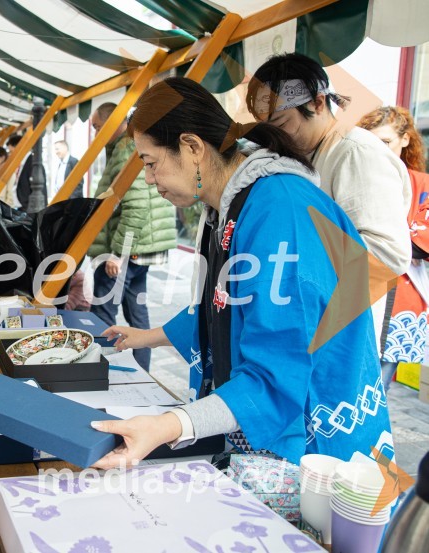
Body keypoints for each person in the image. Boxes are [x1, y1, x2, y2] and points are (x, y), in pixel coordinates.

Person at [92, 77, 392, 468]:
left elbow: (276, 371)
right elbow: (225, 306)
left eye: (151, 163)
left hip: (315, 444)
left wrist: (167, 426)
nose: (149, 178)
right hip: (275, 424)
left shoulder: (280, 210)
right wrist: (146, 337)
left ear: (192, 147)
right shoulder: (229, 205)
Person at [246, 53, 411, 355]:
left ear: (317, 103)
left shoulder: (356, 152)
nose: (276, 136)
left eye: (282, 123)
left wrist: (295, 247)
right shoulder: (307, 153)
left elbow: (388, 254)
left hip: (341, 333)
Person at [87, 102, 176, 371]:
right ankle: (141, 377)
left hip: (127, 249)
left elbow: (136, 207)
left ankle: (96, 372)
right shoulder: (127, 148)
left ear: (114, 123)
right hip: (141, 248)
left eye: (98, 127)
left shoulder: (127, 150)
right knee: (138, 316)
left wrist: (118, 253)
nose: (96, 134)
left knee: (102, 314)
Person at [359, 106, 429, 390]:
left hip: (402, 293)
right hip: (357, 289)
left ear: (405, 139)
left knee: (380, 387)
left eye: (385, 142)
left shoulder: (422, 184)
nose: (379, 151)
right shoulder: (356, 177)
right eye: (371, 143)